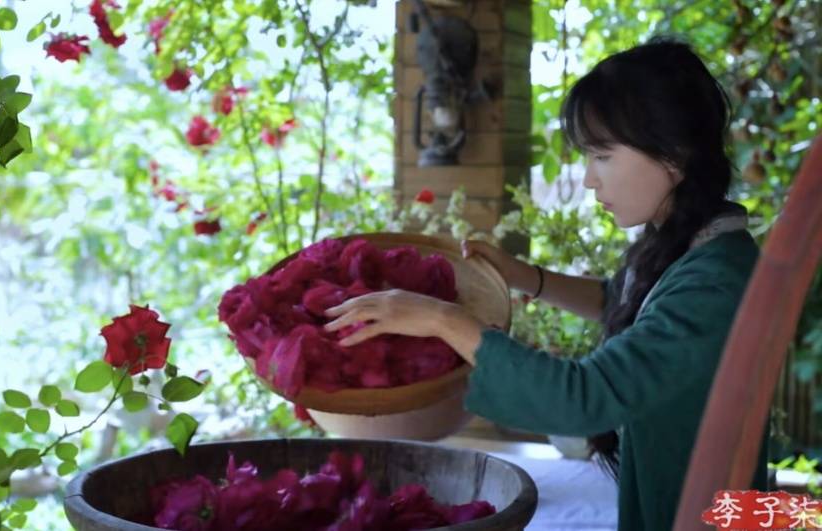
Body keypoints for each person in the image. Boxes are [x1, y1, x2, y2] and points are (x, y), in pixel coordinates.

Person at [324, 37, 768, 531]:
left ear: (674, 154)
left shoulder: (714, 285)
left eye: (601, 156)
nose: (589, 180)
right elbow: (620, 300)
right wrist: (527, 279)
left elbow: (586, 396)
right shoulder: (695, 246)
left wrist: (440, 318)